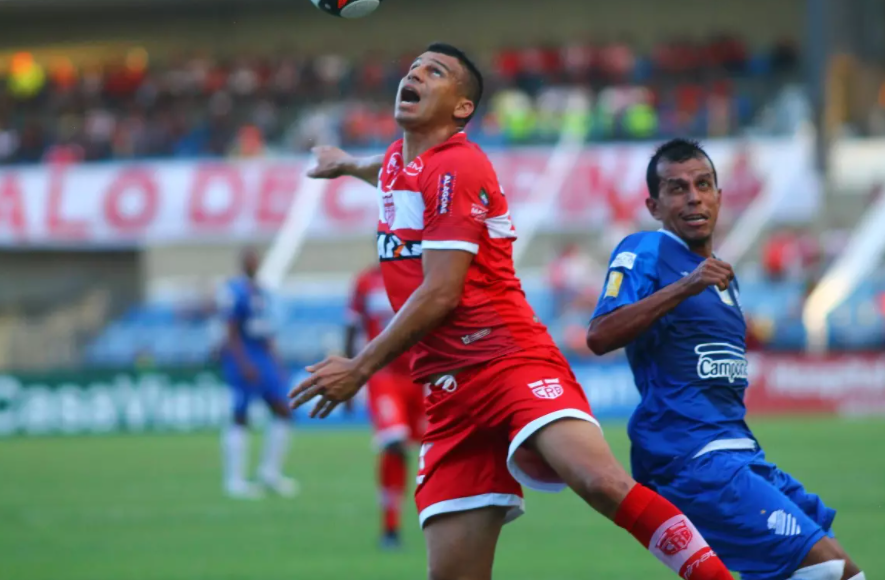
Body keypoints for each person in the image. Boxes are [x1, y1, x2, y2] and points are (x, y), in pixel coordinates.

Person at [290, 43, 732, 580]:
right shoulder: (396, 164)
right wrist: (343, 165)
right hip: (450, 393)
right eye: (413, 69)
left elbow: (440, 293)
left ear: (462, 108)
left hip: (508, 359)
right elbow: (382, 169)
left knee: (598, 481)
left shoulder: (459, 165)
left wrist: (360, 367)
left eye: (436, 72)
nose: (416, 75)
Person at [586, 138, 866, 580]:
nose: (693, 197)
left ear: (719, 196)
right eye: (677, 188)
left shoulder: (721, 276)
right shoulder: (646, 250)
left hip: (740, 451)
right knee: (825, 570)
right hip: (691, 457)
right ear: (654, 205)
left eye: (703, 184)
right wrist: (685, 286)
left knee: (845, 573)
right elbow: (600, 335)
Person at [345, 263, 426, 548]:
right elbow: (351, 326)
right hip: (384, 375)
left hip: (422, 373)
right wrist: (351, 375)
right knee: (394, 443)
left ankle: (448, 516)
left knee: (438, 445)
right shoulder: (365, 281)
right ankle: (390, 526)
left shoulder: (422, 274)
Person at [217, 248, 298, 499]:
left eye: (256, 259)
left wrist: (276, 362)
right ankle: (234, 480)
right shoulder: (235, 291)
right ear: (243, 263)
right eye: (250, 259)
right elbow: (230, 330)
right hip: (244, 356)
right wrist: (242, 362)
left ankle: (269, 473)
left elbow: (267, 330)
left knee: (283, 410)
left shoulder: (261, 291)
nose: (254, 263)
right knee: (240, 416)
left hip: (263, 357)